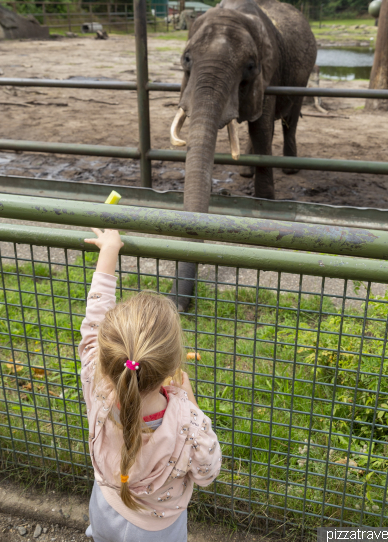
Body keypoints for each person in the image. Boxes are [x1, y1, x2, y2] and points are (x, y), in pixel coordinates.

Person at [79, 227, 222, 542]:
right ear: (172, 367)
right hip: (157, 531)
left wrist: (109, 250)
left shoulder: (95, 381)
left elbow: (94, 319)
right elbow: (208, 474)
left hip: (105, 506)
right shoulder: (190, 422)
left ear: (105, 356)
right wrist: (190, 400)